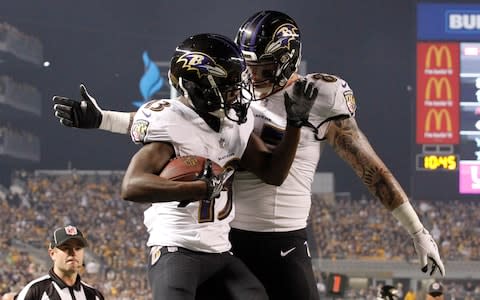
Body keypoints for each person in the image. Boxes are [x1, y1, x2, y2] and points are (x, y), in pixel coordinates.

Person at [52, 10, 445, 300]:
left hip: (285, 242)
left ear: (289, 58)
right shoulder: (229, 93)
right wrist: (103, 119)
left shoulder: (319, 97)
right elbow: (178, 122)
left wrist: (417, 231)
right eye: (248, 66)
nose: (253, 76)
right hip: (226, 240)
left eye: (264, 66)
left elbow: (370, 170)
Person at [55, 33, 316, 300]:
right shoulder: (170, 123)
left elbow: (273, 173)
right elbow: (131, 186)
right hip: (176, 249)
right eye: (228, 87)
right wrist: (198, 188)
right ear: (196, 88)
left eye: (237, 85)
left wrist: (295, 124)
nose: (237, 94)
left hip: (220, 251)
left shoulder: (235, 123)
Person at [15, 225, 104, 300]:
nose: (73, 253)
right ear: (52, 253)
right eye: (66, 248)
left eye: (78, 248)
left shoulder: (94, 296)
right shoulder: (35, 292)